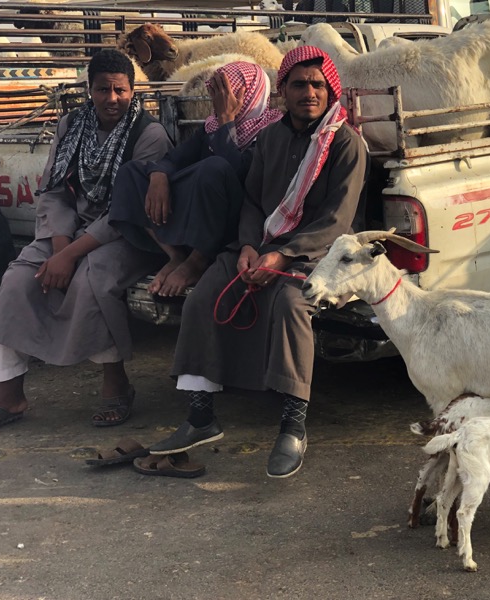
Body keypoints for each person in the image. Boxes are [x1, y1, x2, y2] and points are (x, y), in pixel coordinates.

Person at [145, 46, 369, 478]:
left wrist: (281, 254)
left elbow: (337, 220)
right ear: (282, 90)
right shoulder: (270, 138)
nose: (309, 92)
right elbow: (250, 201)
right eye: (299, 84)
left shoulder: (345, 143)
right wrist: (248, 246)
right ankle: (200, 416)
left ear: (330, 91)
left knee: (289, 305)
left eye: (318, 85)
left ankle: (293, 424)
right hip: (258, 244)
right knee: (204, 295)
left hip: (316, 253)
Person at [0, 49, 173, 433]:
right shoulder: (72, 125)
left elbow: (127, 211)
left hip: (126, 234)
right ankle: (9, 392)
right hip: (66, 231)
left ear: (132, 91)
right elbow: (52, 190)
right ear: (90, 90)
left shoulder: (148, 134)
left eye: (120, 90)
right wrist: (59, 248)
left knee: (93, 280)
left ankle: (116, 383)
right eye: (103, 90)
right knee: (17, 279)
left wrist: (70, 255)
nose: (112, 99)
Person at [109, 61, 282, 297]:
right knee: (131, 173)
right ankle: (176, 255)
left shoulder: (270, 130)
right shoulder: (211, 127)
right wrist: (158, 174)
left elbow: (237, 171)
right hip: (201, 217)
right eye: (217, 93)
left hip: (235, 223)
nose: (220, 100)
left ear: (250, 93)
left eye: (227, 93)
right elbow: (175, 158)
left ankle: (197, 262)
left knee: (214, 167)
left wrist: (226, 121)